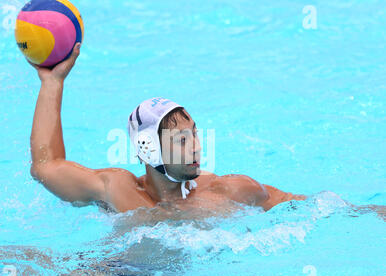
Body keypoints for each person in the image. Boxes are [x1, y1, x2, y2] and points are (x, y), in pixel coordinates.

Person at [28, 43, 384, 218]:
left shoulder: (228, 190)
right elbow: (45, 166)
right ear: (149, 150)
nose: (196, 146)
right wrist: (53, 82)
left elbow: (318, 208)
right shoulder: (116, 189)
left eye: (195, 134)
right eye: (182, 140)